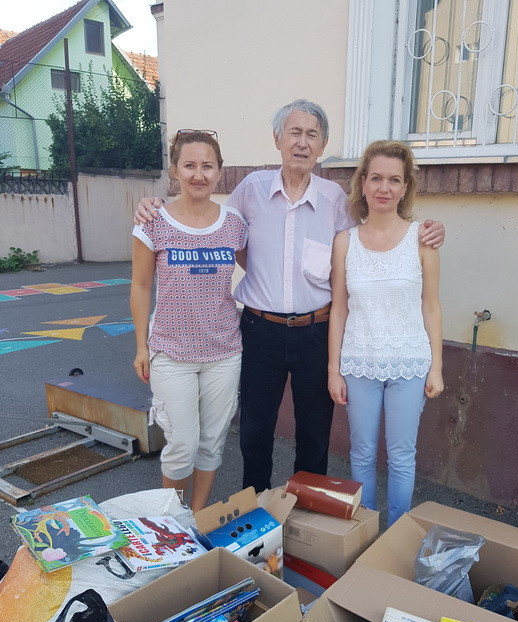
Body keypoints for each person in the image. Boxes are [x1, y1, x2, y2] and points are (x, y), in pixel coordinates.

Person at [134, 101, 445, 493]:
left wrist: (429, 230)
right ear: (277, 138)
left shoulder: (334, 198)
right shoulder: (251, 190)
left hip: (316, 330)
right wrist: (155, 205)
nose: (302, 143)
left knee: (314, 435)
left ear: (323, 145)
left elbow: (370, 239)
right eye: (294, 132)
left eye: (312, 135)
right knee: (254, 432)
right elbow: (217, 225)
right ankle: (256, 508)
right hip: (259, 329)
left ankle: (307, 514)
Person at [328, 140, 444, 526]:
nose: (384, 187)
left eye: (394, 180)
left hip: (410, 363)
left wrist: (437, 367)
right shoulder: (344, 242)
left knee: (402, 457)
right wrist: (333, 369)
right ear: (362, 183)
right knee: (361, 454)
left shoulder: (422, 239)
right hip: (359, 362)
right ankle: (364, 533)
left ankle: (396, 536)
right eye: (376, 178)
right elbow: (339, 309)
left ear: (405, 187)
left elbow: (432, 307)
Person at [130, 130, 247, 511]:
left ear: (219, 171)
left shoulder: (234, 224)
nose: (199, 174)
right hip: (172, 353)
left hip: (223, 353)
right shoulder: (153, 221)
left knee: (212, 442)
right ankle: (172, 520)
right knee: (181, 444)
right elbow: (141, 286)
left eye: (207, 166)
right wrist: (141, 347)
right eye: (190, 165)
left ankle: (195, 517)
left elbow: (260, 270)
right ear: (175, 170)